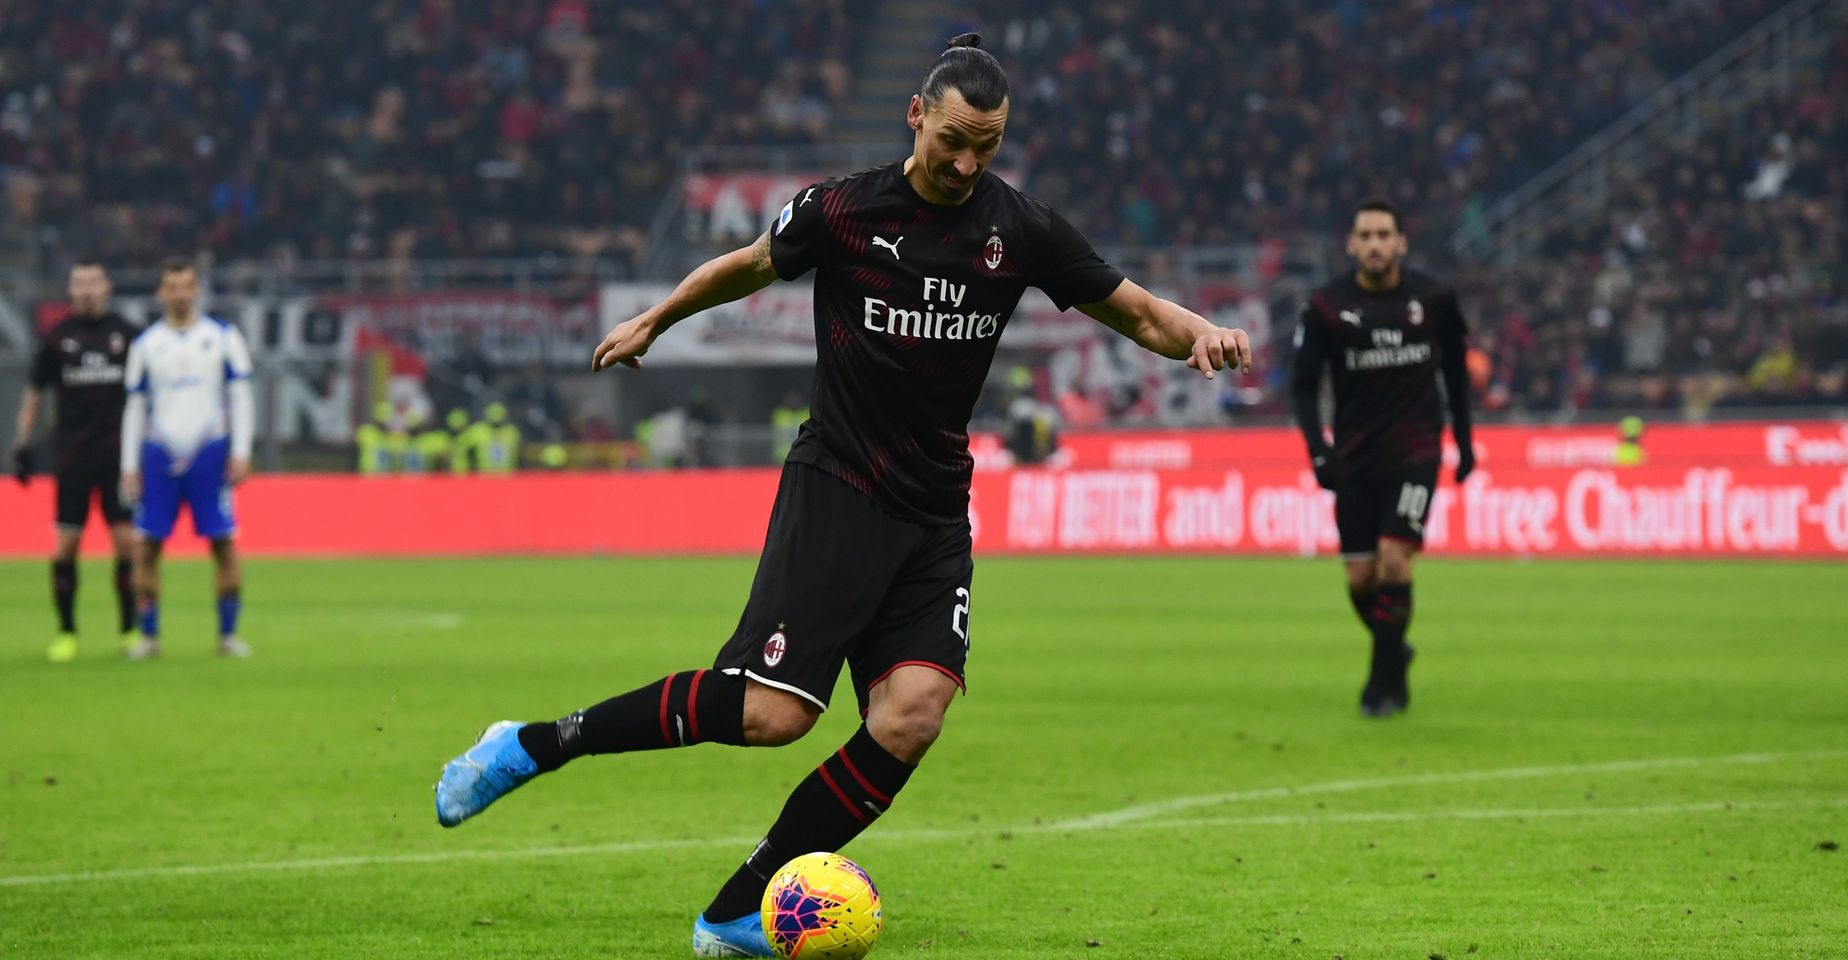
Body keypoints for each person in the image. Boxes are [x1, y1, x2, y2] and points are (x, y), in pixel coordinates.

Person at [432, 34, 1253, 958]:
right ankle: (535, 743)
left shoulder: (1020, 230)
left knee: (913, 713)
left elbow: (1136, 310)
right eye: (953, 140)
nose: (967, 163)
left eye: (987, 145)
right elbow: (748, 263)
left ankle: (735, 910)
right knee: (772, 715)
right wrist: (656, 319)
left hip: (934, 511)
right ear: (916, 115)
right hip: (838, 487)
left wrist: (1201, 333)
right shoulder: (844, 210)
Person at [1290, 199, 1475, 718]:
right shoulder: (1326, 307)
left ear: (1400, 243)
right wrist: (1318, 451)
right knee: (1360, 580)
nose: (1375, 244)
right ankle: (1394, 648)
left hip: (1416, 451)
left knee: (1395, 558)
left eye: (1384, 235)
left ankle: (1381, 685)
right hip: (1354, 457)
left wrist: (1464, 442)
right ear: (1352, 245)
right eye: (1366, 235)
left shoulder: (1434, 298)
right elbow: (1303, 387)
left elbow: (1457, 374)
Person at [119, 260, 255, 660]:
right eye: (172, 287)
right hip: (159, 452)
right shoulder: (146, 345)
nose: (180, 294)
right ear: (160, 293)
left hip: (210, 451)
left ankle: (228, 634)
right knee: (147, 547)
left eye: (186, 286)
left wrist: (241, 452)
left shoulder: (223, 337)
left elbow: (240, 396)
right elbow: (135, 405)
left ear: (197, 290)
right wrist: (129, 464)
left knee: (223, 543)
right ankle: (149, 636)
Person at [11, 261, 145, 661]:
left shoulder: (127, 334)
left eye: (93, 282)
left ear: (107, 287)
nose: (86, 290)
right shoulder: (56, 338)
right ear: (69, 289)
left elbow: (147, 392)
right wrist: (22, 445)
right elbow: (34, 394)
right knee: (66, 544)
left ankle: (129, 631)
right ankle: (66, 633)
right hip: (73, 458)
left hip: (118, 458)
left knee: (126, 543)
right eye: (79, 283)